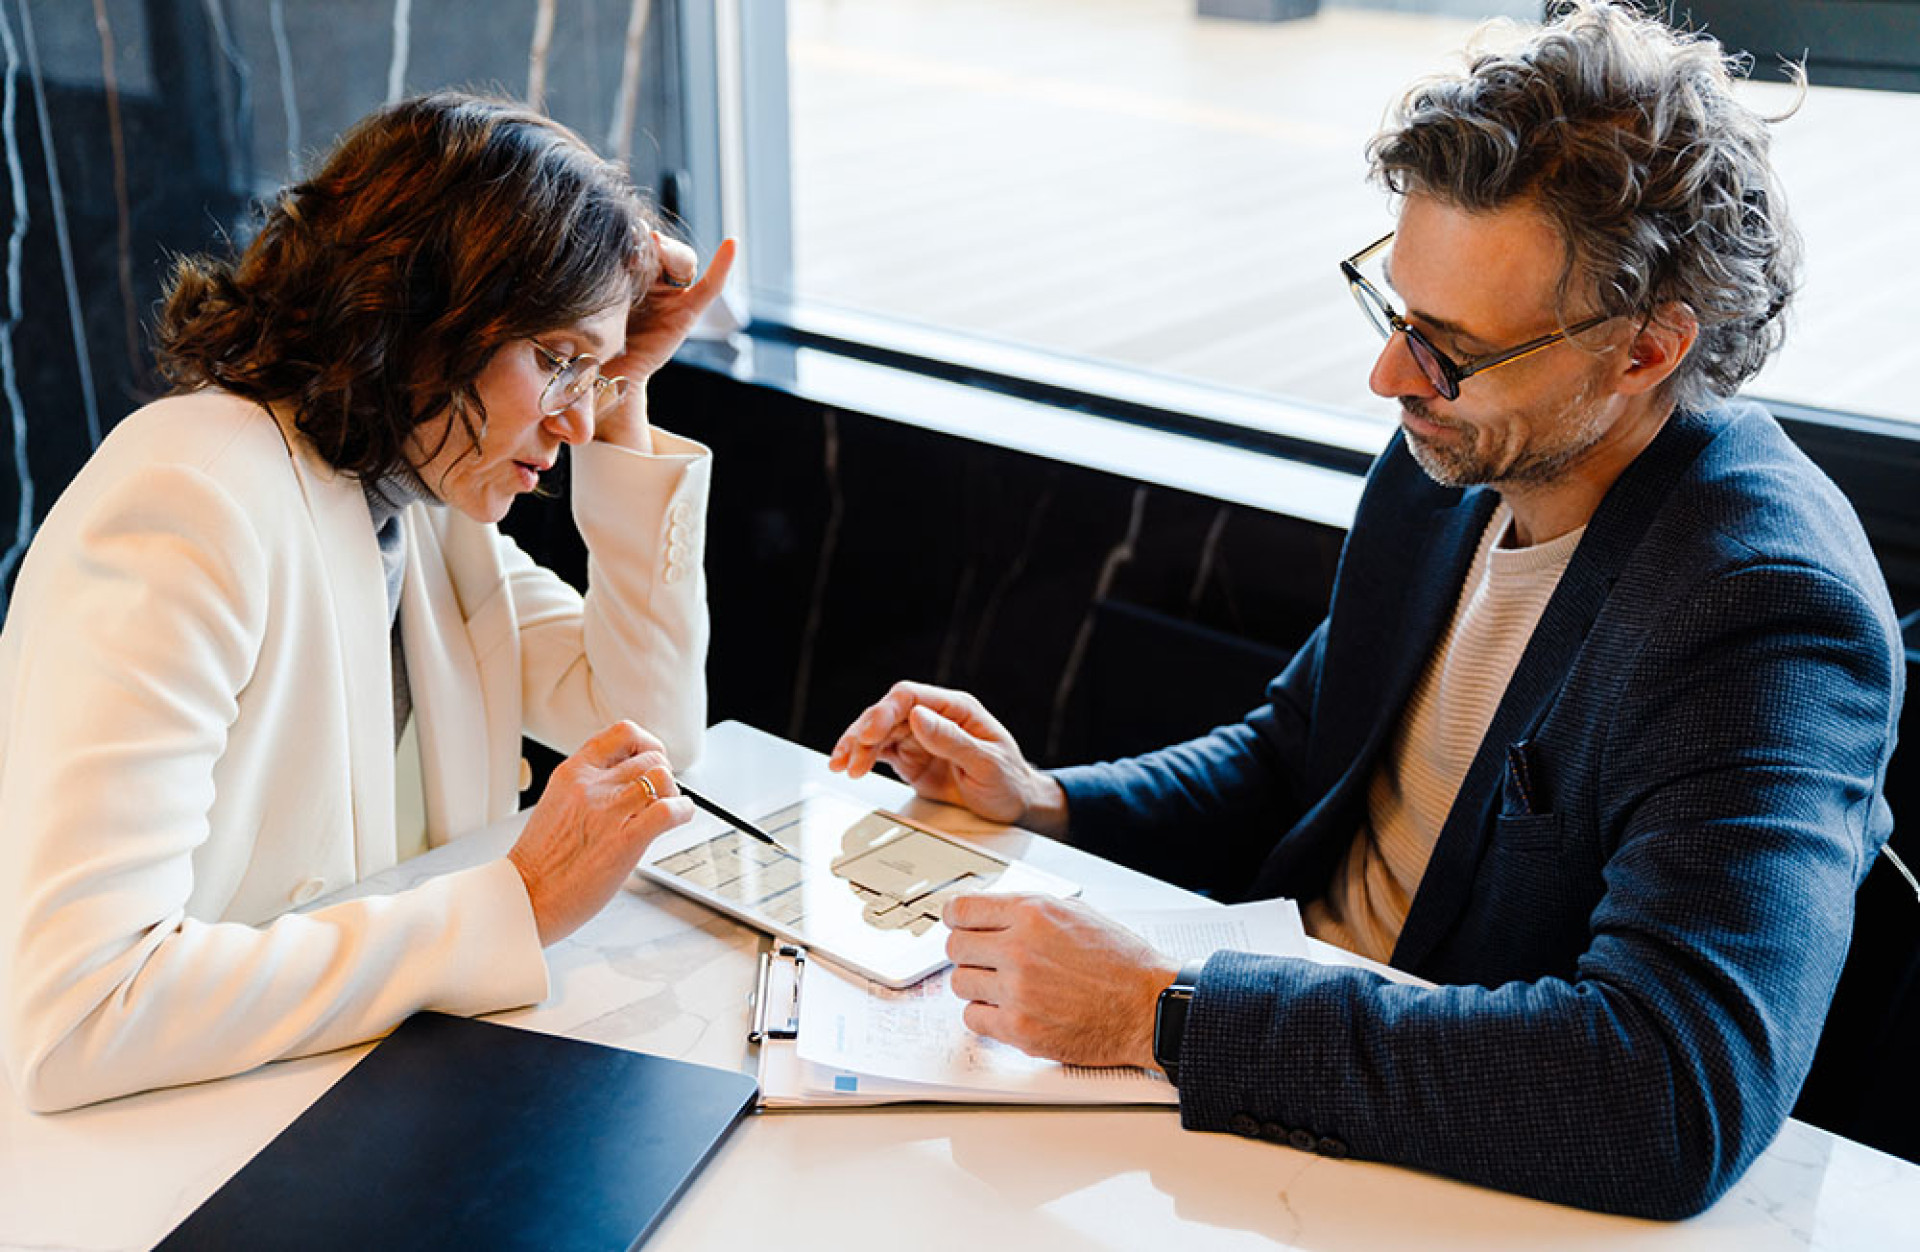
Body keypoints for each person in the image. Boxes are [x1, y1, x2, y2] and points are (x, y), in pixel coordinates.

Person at [829, 1, 1902, 1221]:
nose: (1391, 376)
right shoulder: (1454, 459)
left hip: (1449, 1180)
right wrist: (1048, 800)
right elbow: (1301, 753)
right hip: (1278, 1101)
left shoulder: (1764, 614)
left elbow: (1665, 1090)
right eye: (1395, 311)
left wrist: (1163, 1012)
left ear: (1650, 348)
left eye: (1449, 344)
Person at [0, 92, 733, 1112]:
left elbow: (647, 729)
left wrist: (624, 395)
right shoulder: (189, 501)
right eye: (559, 359)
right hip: (167, 1164)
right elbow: (82, 1011)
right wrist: (512, 902)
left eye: (596, 373)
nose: (575, 421)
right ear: (426, 303)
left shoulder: (423, 512)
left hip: (352, 1103)